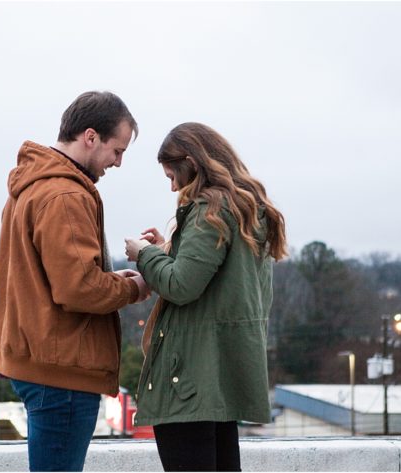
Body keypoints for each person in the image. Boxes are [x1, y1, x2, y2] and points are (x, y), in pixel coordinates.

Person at [0, 91, 150, 472]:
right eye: (117, 150)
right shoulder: (64, 194)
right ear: (90, 137)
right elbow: (77, 288)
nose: (119, 162)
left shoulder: (34, 185)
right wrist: (135, 287)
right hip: (61, 373)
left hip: (38, 362)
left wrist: (108, 279)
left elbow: (60, 278)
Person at [124, 122, 287, 472]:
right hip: (219, 376)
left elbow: (182, 286)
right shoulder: (247, 208)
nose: (172, 186)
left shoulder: (210, 211)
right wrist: (169, 250)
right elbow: (215, 282)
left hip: (191, 381)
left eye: (172, 175)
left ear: (192, 164)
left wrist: (144, 255)